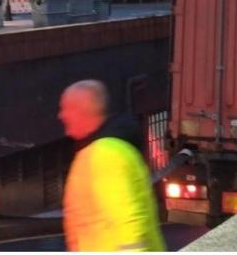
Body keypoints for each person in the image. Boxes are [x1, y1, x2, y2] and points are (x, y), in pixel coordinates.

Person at [58, 80, 164, 252]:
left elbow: (129, 223)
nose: (61, 115)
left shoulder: (106, 155)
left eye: (66, 108)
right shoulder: (102, 150)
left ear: (82, 110)